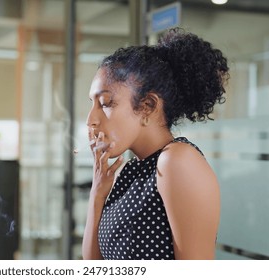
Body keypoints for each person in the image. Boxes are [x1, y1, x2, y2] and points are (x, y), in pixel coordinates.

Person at [82, 27, 229, 260]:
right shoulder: (132, 171)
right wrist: (97, 193)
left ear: (148, 106)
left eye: (106, 103)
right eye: (92, 104)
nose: (91, 120)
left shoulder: (177, 161)